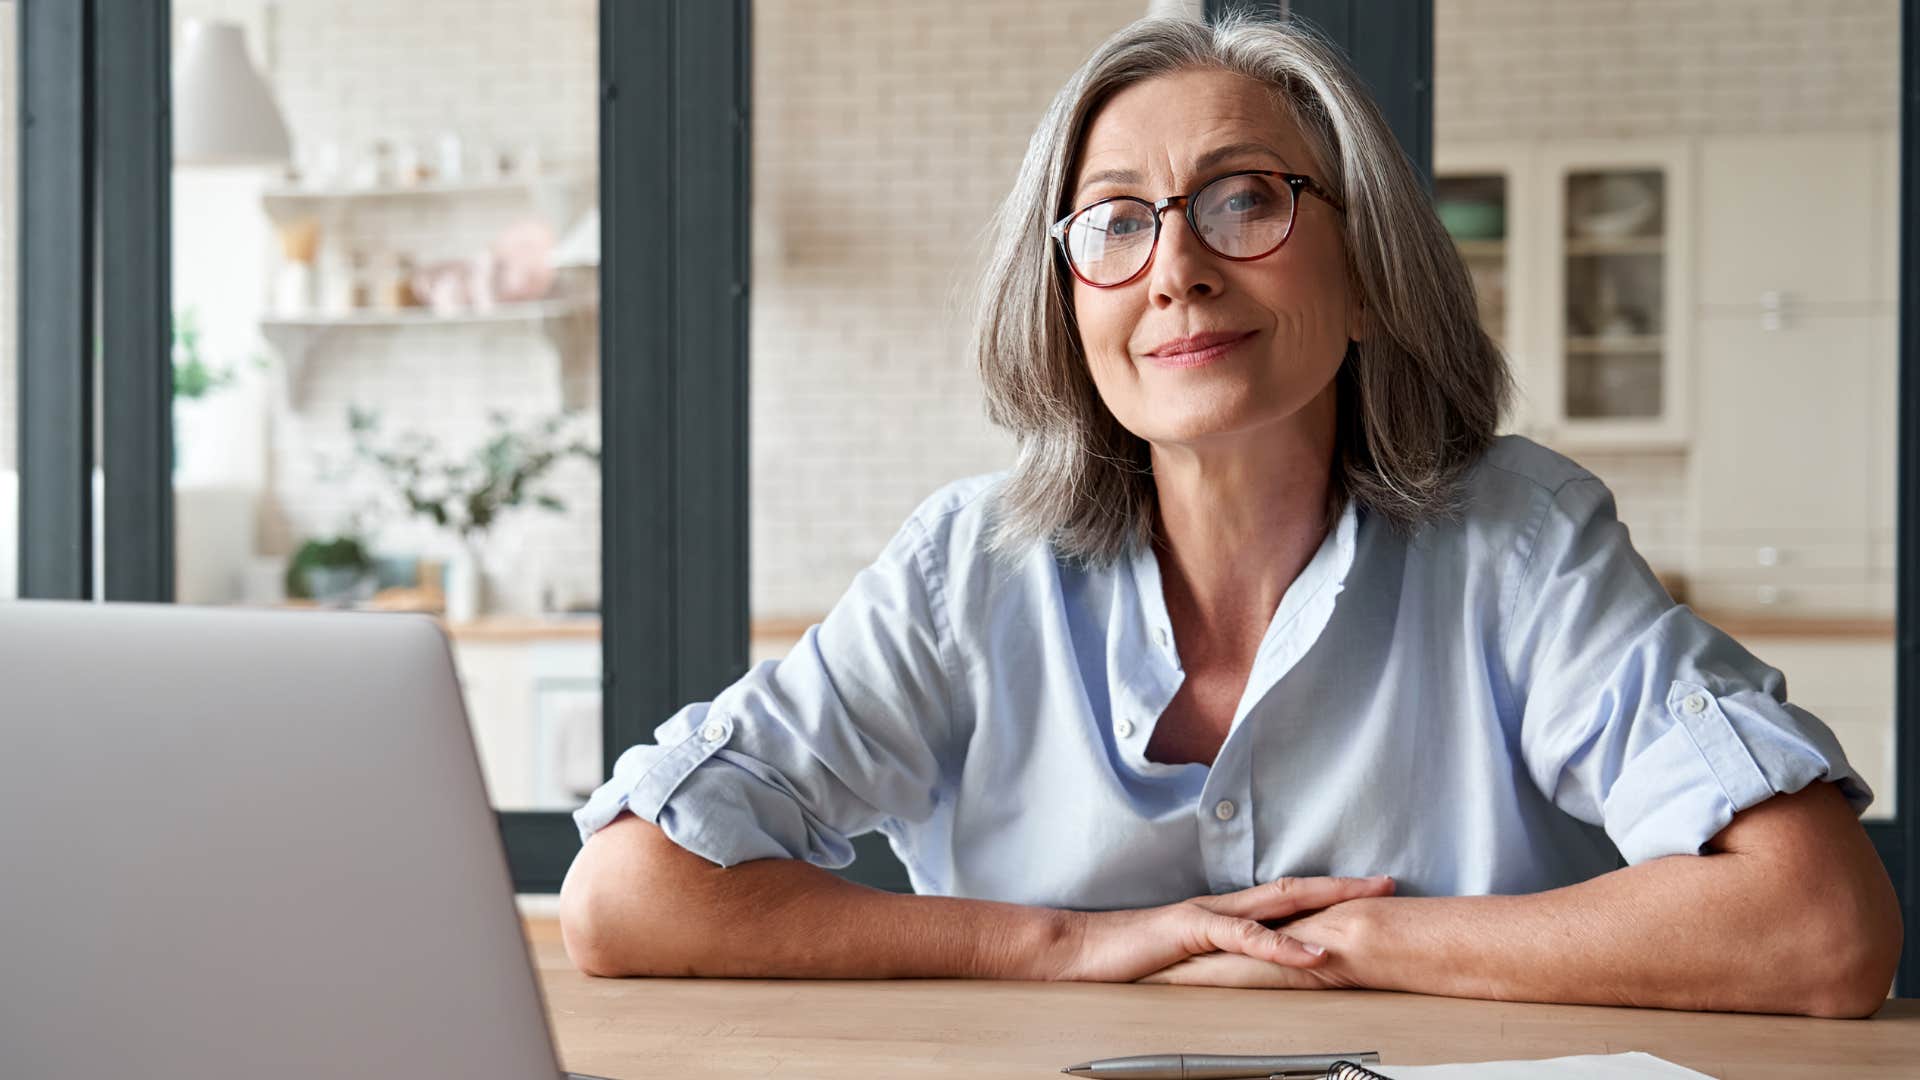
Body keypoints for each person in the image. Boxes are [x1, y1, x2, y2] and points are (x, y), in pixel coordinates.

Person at [558, 14, 1900, 1016]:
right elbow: (628, 896)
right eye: (1115, 224)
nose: (1177, 270)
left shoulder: (1521, 539)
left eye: (1244, 199)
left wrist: (1346, 944)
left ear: (1368, 267)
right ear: (1068, 303)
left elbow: (1819, 927)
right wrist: (1074, 946)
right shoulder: (969, 567)